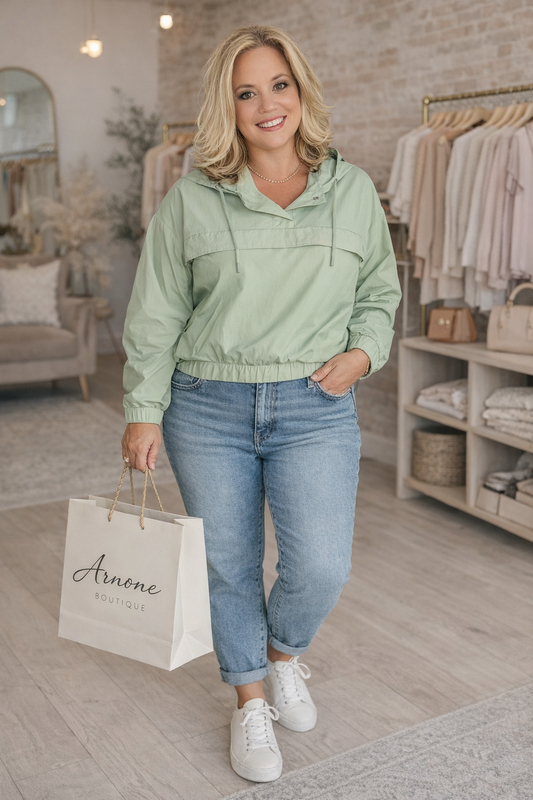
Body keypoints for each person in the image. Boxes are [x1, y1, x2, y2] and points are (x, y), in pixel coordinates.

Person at [121, 24, 401, 784]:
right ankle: (248, 700)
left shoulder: (351, 190)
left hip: (315, 402)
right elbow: (155, 312)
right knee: (228, 566)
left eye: (278, 84)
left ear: (301, 92)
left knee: (320, 567)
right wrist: (142, 407)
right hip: (205, 404)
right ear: (228, 106)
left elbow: (379, 291)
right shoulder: (191, 197)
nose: (266, 103)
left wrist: (363, 352)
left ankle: (281, 659)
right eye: (246, 91)